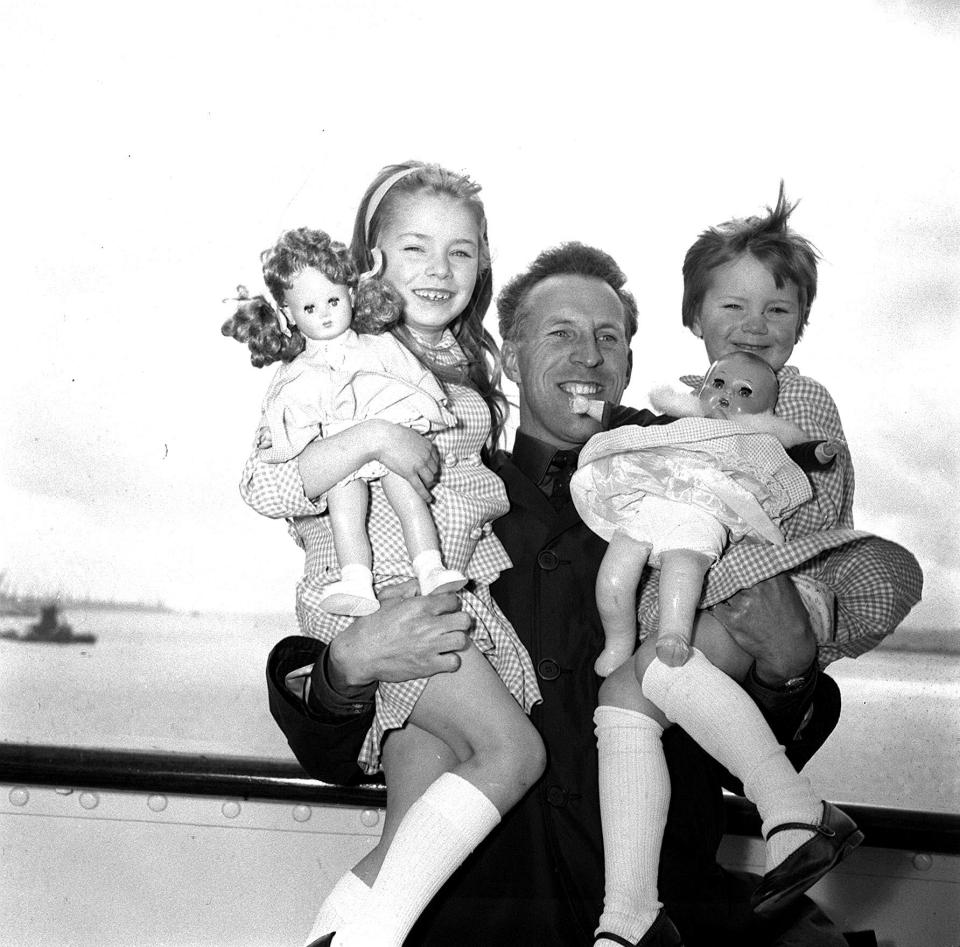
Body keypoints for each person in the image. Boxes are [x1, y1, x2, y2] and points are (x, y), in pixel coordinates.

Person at [265, 240, 921, 946]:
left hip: (665, 917)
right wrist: (346, 668)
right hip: (477, 921)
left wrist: (789, 666)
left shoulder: (702, 487)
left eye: (609, 338)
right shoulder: (441, 496)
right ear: (511, 359)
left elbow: (750, 751)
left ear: (631, 365)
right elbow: (330, 751)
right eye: (562, 334)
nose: (589, 355)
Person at [239, 163, 546, 947]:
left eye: (462, 252)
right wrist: (370, 436)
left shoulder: (452, 366)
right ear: (367, 258)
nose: (440, 271)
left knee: (408, 833)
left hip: (440, 590)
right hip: (384, 594)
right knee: (513, 753)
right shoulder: (338, 352)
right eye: (415, 248)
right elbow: (266, 485)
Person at [568, 351, 867, 945]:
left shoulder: (776, 413)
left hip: (744, 570)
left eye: (606, 334)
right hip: (505, 898)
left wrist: (790, 667)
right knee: (622, 696)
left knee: (656, 665)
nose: (755, 322)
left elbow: (803, 460)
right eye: (732, 303)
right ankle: (629, 918)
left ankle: (794, 810)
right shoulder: (654, 438)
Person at [224, 228, 467, 617]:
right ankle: (356, 578)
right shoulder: (298, 369)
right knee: (344, 510)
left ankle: (430, 565)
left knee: (409, 496)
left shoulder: (378, 343)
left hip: (395, 432)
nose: (324, 314)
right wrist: (286, 444)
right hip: (342, 447)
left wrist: (431, 407)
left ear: (352, 294)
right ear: (288, 314)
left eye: (333, 300)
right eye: (309, 308)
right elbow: (287, 416)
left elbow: (408, 375)